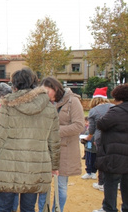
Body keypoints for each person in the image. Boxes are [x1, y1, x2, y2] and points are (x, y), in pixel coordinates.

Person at [0, 68, 61, 212]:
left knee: (4, 207)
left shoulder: (7, 106)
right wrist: (54, 165)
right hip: (35, 167)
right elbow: (54, 141)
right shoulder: (49, 107)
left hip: (8, 167)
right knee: (28, 208)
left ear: (14, 86)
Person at [39, 76, 85, 212]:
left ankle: (57, 210)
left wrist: (55, 131)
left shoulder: (73, 101)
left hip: (65, 150)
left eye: (47, 92)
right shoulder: (45, 103)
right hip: (45, 150)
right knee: (43, 186)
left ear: (56, 88)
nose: (45, 95)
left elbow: (79, 125)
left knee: (61, 186)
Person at [92, 84, 128, 212]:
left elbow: (101, 124)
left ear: (118, 97)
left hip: (115, 154)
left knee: (111, 182)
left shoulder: (116, 111)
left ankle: (109, 208)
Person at [84, 87, 114, 193]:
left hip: (100, 139)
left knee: (102, 161)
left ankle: (102, 183)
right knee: (113, 161)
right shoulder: (114, 107)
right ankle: (116, 183)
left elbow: (91, 130)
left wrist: (87, 138)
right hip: (115, 139)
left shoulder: (93, 111)